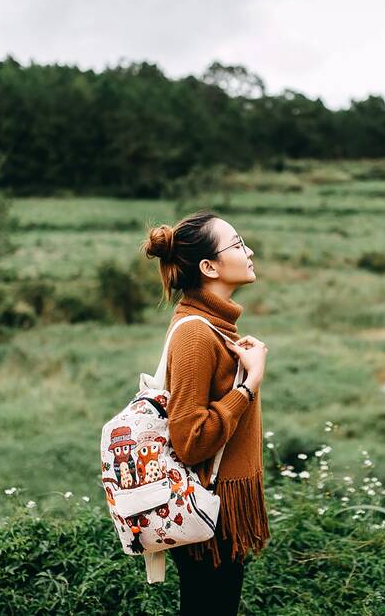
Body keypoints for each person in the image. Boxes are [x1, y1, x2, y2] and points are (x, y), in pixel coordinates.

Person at [142, 210, 270, 616]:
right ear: (209, 266)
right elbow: (190, 439)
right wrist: (249, 385)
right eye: (237, 245)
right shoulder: (197, 333)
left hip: (219, 506)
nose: (248, 252)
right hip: (207, 505)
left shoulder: (215, 327)